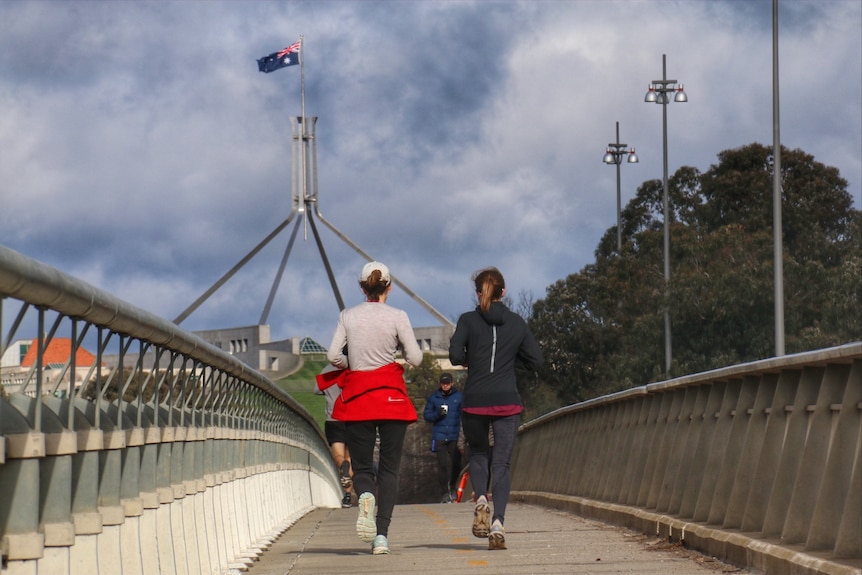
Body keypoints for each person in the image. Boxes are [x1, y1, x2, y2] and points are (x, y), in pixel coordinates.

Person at [318, 261, 423, 556]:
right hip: (391, 398)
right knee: (389, 470)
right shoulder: (398, 316)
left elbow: (332, 355)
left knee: (363, 467)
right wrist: (396, 358)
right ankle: (381, 537)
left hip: (358, 398)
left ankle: (365, 494)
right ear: (389, 287)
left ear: (362, 288)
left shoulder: (347, 316)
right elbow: (415, 358)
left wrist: (354, 363)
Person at [448, 267, 543, 551]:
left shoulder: (467, 320)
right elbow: (536, 360)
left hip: (475, 400)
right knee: (501, 464)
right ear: (504, 292)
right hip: (506, 401)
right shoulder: (516, 322)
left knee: (478, 454)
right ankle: (498, 523)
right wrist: (511, 363)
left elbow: (454, 355)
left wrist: (469, 361)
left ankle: (480, 500)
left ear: (478, 293)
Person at [314, 364, 354, 508]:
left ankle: (342, 465)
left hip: (333, 419)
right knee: (351, 456)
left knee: (338, 455)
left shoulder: (328, 369)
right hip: (354, 419)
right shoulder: (357, 366)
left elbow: (317, 390)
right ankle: (348, 496)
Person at [423, 372, 463, 503]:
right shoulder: (434, 397)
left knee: (456, 463)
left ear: (452, 383)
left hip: (454, 435)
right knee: (442, 465)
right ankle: (445, 493)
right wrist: (437, 414)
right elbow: (427, 416)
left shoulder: (459, 397)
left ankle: (452, 486)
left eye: (447, 383)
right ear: (440, 384)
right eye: (443, 383)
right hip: (439, 436)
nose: (445, 386)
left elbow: (465, 414)